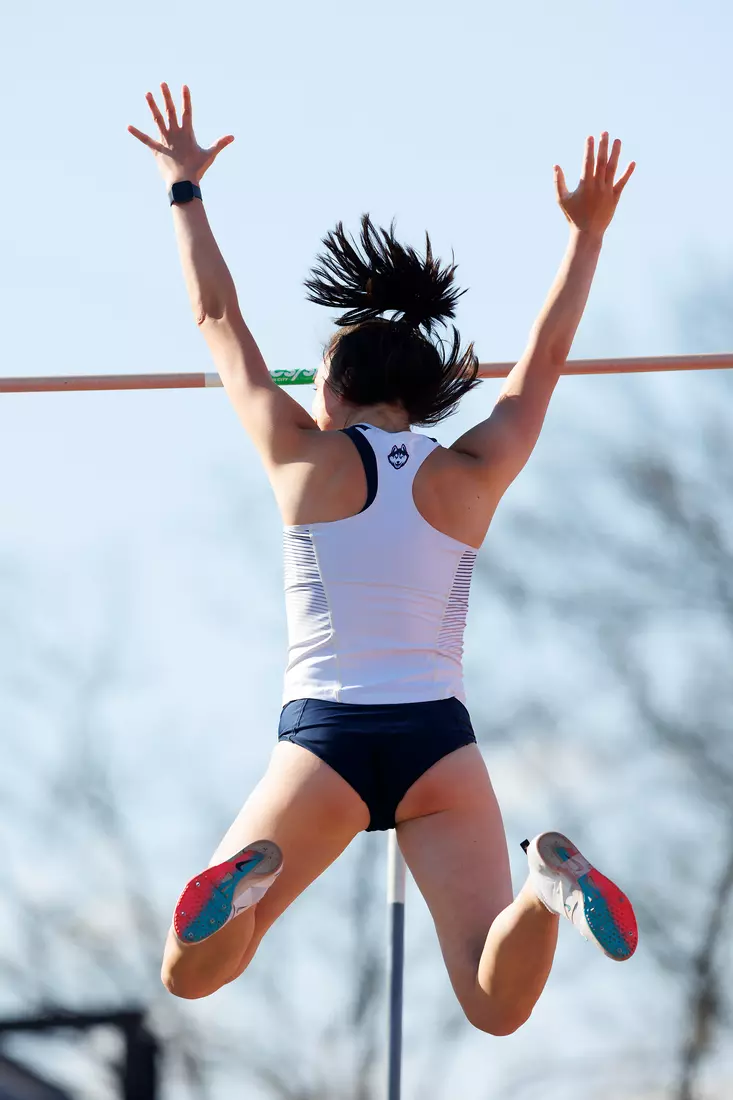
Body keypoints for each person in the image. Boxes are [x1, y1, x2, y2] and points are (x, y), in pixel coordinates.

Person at [129, 84, 638, 1034]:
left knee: (190, 979)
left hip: (325, 742)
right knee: (492, 1005)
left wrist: (185, 191)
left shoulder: (303, 457)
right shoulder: (475, 470)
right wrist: (587, 234)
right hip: (438, 745)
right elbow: (548, 357)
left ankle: (241, 893)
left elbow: (216, 319)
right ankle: (544, 893)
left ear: (337, 387)